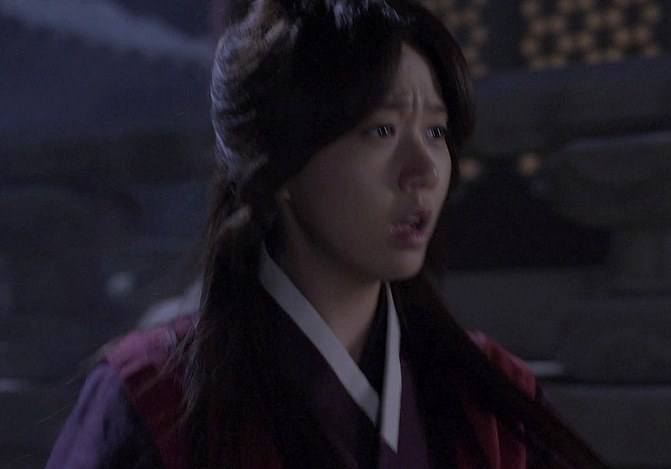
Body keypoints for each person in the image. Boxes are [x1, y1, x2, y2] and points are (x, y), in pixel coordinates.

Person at [47, 0, 603, 467]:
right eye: (381, 130)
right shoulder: (154, 397)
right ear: (281, 165)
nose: (425, 170)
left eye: (435, 131)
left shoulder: (491, 395)